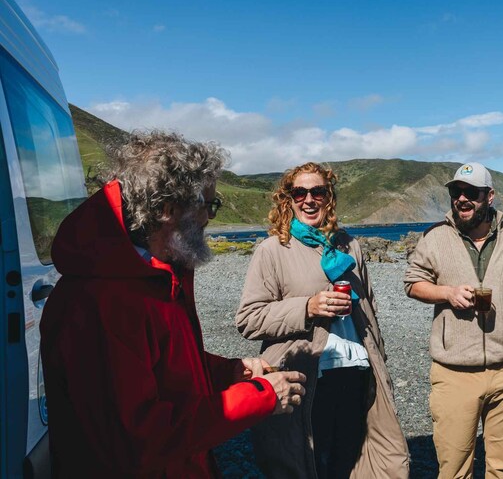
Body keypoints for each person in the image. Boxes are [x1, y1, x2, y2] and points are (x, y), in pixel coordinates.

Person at [40, 131, 306, 478]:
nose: (209, 218)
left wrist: (228, 372)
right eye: (208, 205)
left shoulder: (151, 278)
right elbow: (139, 438)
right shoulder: (104, 301)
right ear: (167, 209)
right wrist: (260, 397)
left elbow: (161, 369)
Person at [236, 162, 409, 479]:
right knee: (306, 464)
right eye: (299, 192)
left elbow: (369, 309)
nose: (309, 199)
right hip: (307, 377)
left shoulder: (348, 246)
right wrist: (307, 307)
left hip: (355, 373)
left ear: (329, 197)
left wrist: (380, 364)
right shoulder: (274, 250)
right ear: (288, 200)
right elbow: (249, 319)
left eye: (318, 191)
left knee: (354, 462)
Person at [404, 162, 503, 478]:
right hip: (454, 372)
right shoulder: (436, 237)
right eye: (456, 192)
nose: (462, 199)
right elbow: (412, 282)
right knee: (454, 469)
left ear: (490, 196)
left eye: (471, 192)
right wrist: (447, 293)